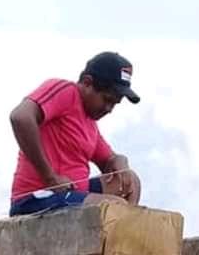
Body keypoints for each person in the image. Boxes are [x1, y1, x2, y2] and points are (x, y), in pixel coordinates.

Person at [8, 51, 142, 217]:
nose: (109, 109)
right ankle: (121, 229)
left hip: (73, 195)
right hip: (37, 197)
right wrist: (50, 177)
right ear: (87, 83)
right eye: (106, 100)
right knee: (114, 208)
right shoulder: (67, 92)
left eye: (114, 104)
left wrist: (121, 162)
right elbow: (20, 117)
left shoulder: (89, 123)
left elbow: (109, 161)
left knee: (130, 181)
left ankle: (126, 231)